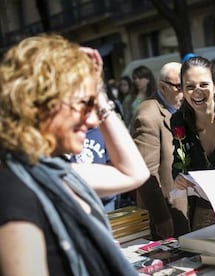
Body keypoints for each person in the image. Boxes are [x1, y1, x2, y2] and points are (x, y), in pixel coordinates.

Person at [0, 34, 150, 275]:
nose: (92, 119)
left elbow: (135, 172)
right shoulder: (15, 192)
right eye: (83, 104)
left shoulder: (54, 173)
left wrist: (97, 92)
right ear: (41, 103)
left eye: (94, 106)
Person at [172, 56, 215, 231]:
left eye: (204, 84)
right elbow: (178, 161)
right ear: (182, 90)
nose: (197, 91)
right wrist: (179, 177)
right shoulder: (178, 119)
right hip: (202, 210)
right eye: (190, 86)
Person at [131, 62, 190, 240]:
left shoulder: (183, 107)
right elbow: (146, 173)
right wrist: (161, 217)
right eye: (179, 87)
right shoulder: (148, 115)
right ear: (163, 87)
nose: (185, 92)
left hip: (189, 206)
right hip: (167, 211)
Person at [70, 127, 118, 212]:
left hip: (103, 201)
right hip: (74, 198)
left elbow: (113, 163)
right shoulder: (63, 134)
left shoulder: (101, 132)